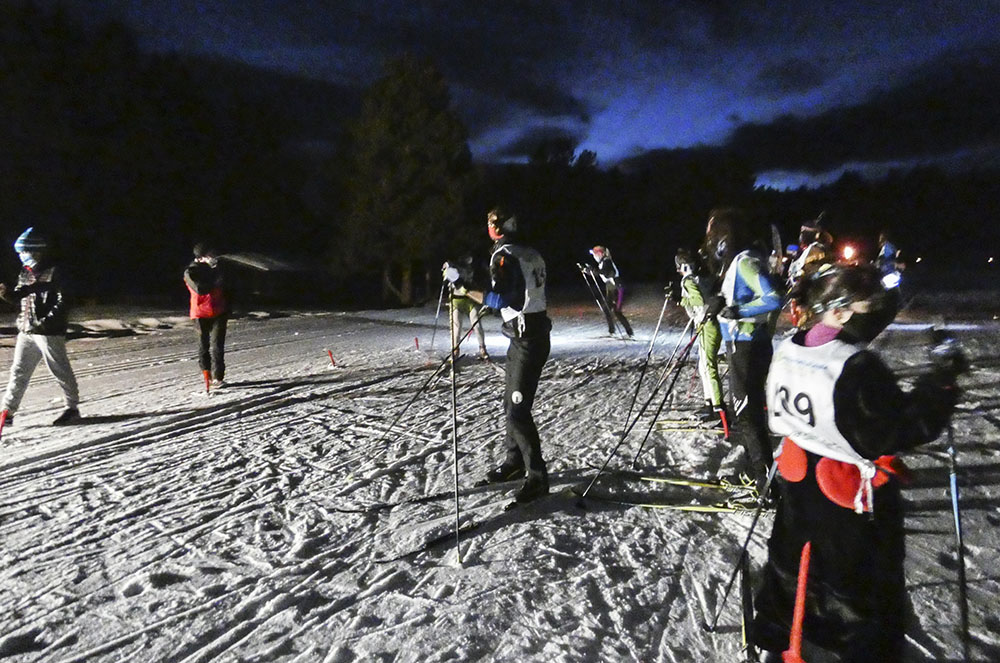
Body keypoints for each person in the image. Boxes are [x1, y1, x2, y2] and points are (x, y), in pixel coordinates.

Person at [752, 263, 963, 662]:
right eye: (873, 308)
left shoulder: (790, 346)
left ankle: (783, 630)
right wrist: (941, 383)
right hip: (846, 496)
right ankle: (860, 645)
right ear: (840, 311)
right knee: (855, 581)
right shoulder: (855, 366)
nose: (880, 316)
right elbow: (900, 428)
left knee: (795, 560)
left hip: (800, 482)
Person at [459, 207, 552, 504]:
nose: (488, 227)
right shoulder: (530, 252)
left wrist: (465, 290)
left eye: (490, 222)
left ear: (497, 227)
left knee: (517, 409)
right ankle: (514, 462)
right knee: (510, 402)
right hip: (526, 335)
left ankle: (537, 476)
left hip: (527, 338)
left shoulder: (505, 255)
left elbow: (503, 298)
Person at [703, 208, 781, 489]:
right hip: (741, 344)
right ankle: (755, 470)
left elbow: (773, 297)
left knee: (748, 416)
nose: (712, 243)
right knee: (747, 414)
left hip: (749, 346)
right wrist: (718, 303)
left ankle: (765, 484)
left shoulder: (746, 261)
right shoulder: (736, 263)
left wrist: (737, 311)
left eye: (714, 234)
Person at [0, 227, 81, 425]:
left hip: (48, 331)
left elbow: (65, 300)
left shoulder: (56, 271)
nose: (21, 256)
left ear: (37, 251)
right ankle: (7, 412)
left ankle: (72, 408)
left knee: (59, 369)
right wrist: (9, 296)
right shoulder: (26, 272)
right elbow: (23, 295)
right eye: (19, 252)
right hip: (27, 329)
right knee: (19, 370)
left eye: (24, 252)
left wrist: (48, 321)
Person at [675, 248, 724, 423]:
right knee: (704, 366)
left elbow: (698, 301)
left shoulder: (688, 281)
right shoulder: (703, 277)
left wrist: (681, 300)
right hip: (709, 324)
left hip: (707, 324)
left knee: (708, 367)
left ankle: (718, 408)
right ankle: (709, 403)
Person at [184, 243, 229, 387]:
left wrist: (216, 271)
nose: (213, 257)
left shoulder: (218, 269)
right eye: (210, 255)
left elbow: (229, 286)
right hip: (200, 313)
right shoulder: (190, 272)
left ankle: (218, 378)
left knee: (217, 347)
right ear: (201, 257)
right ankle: (206, 376)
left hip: (219, 312)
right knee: (203, 346)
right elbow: (200, 289)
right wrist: (214, 276)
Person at [441, 255, 489, 361]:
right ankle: (455, 350)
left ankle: (482, 348)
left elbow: (481, 280)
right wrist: (445, 271)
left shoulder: (475, 267)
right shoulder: (453, 265)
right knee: (456, 326)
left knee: (476, 323)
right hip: (457, 300)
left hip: (471, 300)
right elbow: (447, 276)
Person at [587, 245, 634, 337]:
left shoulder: (607, 261)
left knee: (617, 311)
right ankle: (612, 331)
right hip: (610, 287)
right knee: (606, 308)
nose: (594, 257)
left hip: (617, 287)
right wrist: (588, 271)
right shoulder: (602, 262)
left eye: (595, 255)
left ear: (600, 254)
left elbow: (607, 273)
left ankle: (629, 332)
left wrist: (593, 271)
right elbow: (599, 272)